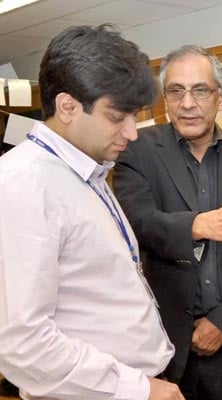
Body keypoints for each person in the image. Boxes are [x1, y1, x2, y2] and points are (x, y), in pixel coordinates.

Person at [0, 24, 182, 400]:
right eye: (117, 117)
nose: (132, 132)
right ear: (67, 107)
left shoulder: (89, 169)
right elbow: (22, 343)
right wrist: (138, 389)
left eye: (135, 115)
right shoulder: (23, 184)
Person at [112, 45, 222, 400]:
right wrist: (201, 226)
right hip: (167, 347)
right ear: (164, 98)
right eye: (176, 91)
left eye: (200, 90)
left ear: (221, 97)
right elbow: (137, 225)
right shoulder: (137, 150)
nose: (187, 103)